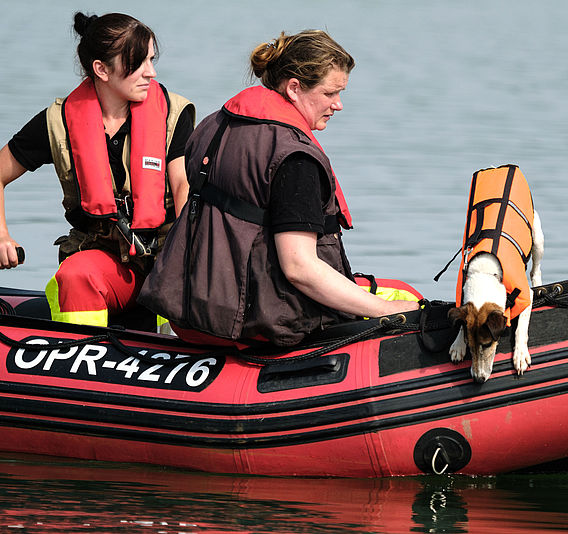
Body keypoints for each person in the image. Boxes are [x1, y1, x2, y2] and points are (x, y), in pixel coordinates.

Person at [139, 30, 419, 347]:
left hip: (190, 314)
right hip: (256, 325)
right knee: (406, 296)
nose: (338, 104)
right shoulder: (294, 158)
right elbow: (299, 268)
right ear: (294, 88)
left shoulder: (213, 125)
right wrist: (386, 310)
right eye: (330, 93)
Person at [0, 12, 195, 328]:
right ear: (101, 69)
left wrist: (188, 258)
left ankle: (173, 345)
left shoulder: (173, 115)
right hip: (105, 263)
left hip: (167, 262)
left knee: (182, 274)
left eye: (151, 60)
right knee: (75, 276)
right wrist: (2, 235)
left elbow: (184, 187)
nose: (151, 72)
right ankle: (82, 349)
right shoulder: (58, 122)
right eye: (139, 63)